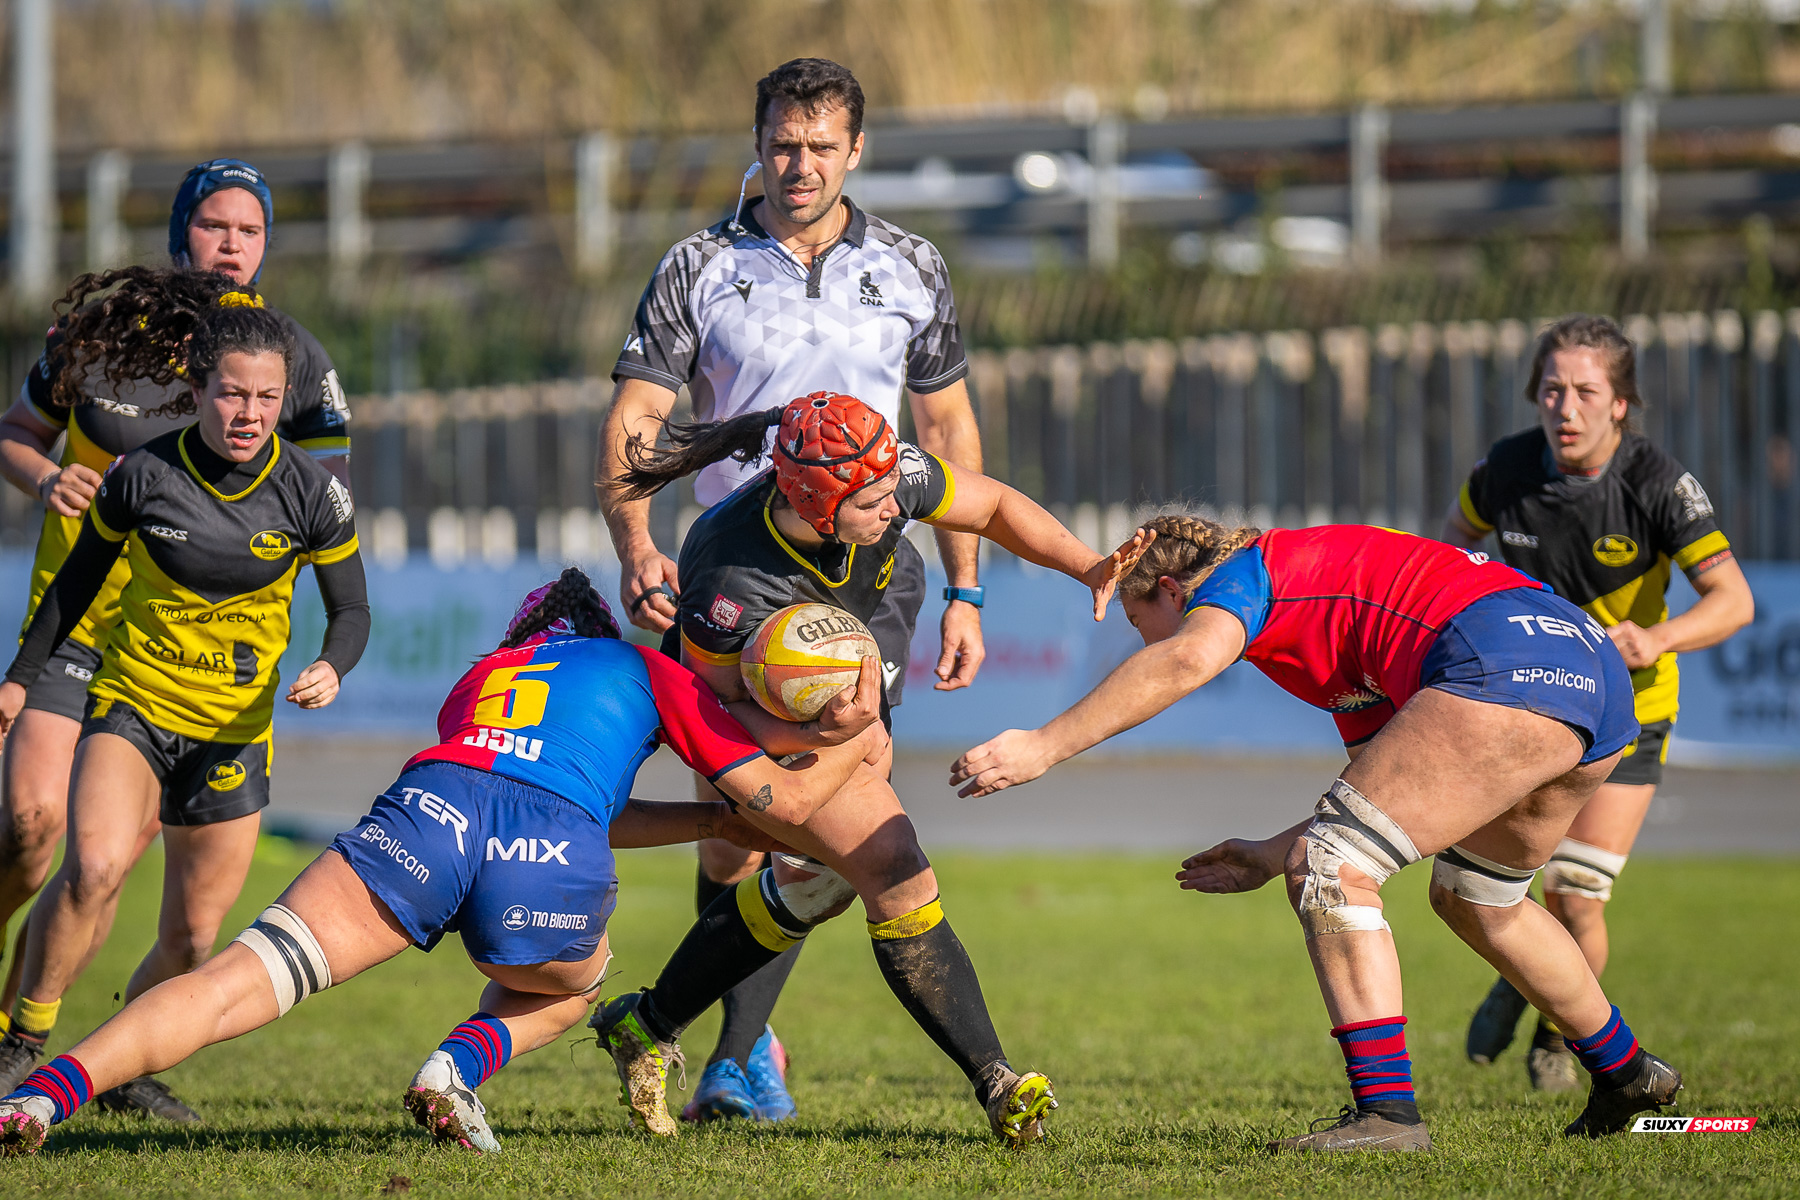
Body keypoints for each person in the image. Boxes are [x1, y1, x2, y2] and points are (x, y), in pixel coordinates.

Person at [0, 570, 889, 1157]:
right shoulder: (646, 669)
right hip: (550, 846)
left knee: (242, 975)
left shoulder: (482, 678)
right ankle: (454, 1070)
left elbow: (531, 785)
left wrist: (698, 817)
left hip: (429, 809)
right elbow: (784, 800)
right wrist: (861, 719)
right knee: (577, 988)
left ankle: (41, 1095)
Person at [951, 515, 1685, 1150]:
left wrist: (1042, 746)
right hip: (1592, 677)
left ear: (1173, 592)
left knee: (1330, 865)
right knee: (1479, 898)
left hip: (1502, 660)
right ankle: (1630, 1073)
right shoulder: (1329, 640)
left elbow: (1185, 658)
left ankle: (1388, 1114)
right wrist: (1274, 854)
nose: (1144, 642)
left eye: (1140, 624)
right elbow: (1401, 794)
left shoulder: (1248, 575)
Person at [598, 57, 987, 1122]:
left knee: (833, 808)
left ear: (856, 150)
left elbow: (947, 436)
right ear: (758, 143)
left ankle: (731, 1050)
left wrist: (968, 589)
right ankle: (731, 1043)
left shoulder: (912, 266)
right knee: (741, 826)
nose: (799, 164)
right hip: (734, 575)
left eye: (821, 146)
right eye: (782, 144)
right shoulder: (699, 266)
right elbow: (638, 416)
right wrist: (637, 543)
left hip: (867, 579)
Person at [591, 389, 1126, 1144]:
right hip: (755, 710)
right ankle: (998, 1083)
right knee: (889, 862)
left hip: (869, 620)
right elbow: (705, 719)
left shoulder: (882, 476)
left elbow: (995, 505)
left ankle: (646, 1025)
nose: (891, 506)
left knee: (821, 880)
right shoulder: (727, 575)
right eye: (871, 501)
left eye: (890, 491)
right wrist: (832, 730)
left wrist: (1089, 567)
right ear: (813, 506)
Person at [0, 158, 351, 1119]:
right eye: (212, 225)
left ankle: (97, 1056)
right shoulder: (100, 338)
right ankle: (18, 1034)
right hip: (80, 626)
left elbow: (324, 500)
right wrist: (42, 481)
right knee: (34, 834)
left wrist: (312, 639)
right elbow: (16, 432)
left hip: (194, 665)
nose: (231, 243)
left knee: (149, 893)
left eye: (249, 228)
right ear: (179, 233)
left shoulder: (293, 355)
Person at [1442, 315, 1753, 1089]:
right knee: (1479, 886)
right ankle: (1526, 977)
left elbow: (1734, 600)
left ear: (1620, 404)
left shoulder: (1657, 483)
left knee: (1575, 896)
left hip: (1631, 714)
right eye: (1552, 390)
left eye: (1586, 391)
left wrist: (1659, 637)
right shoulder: (1501, 472)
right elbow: (1450, 556)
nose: (1566, 408)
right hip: (1524, 711)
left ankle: (1556, 1030)